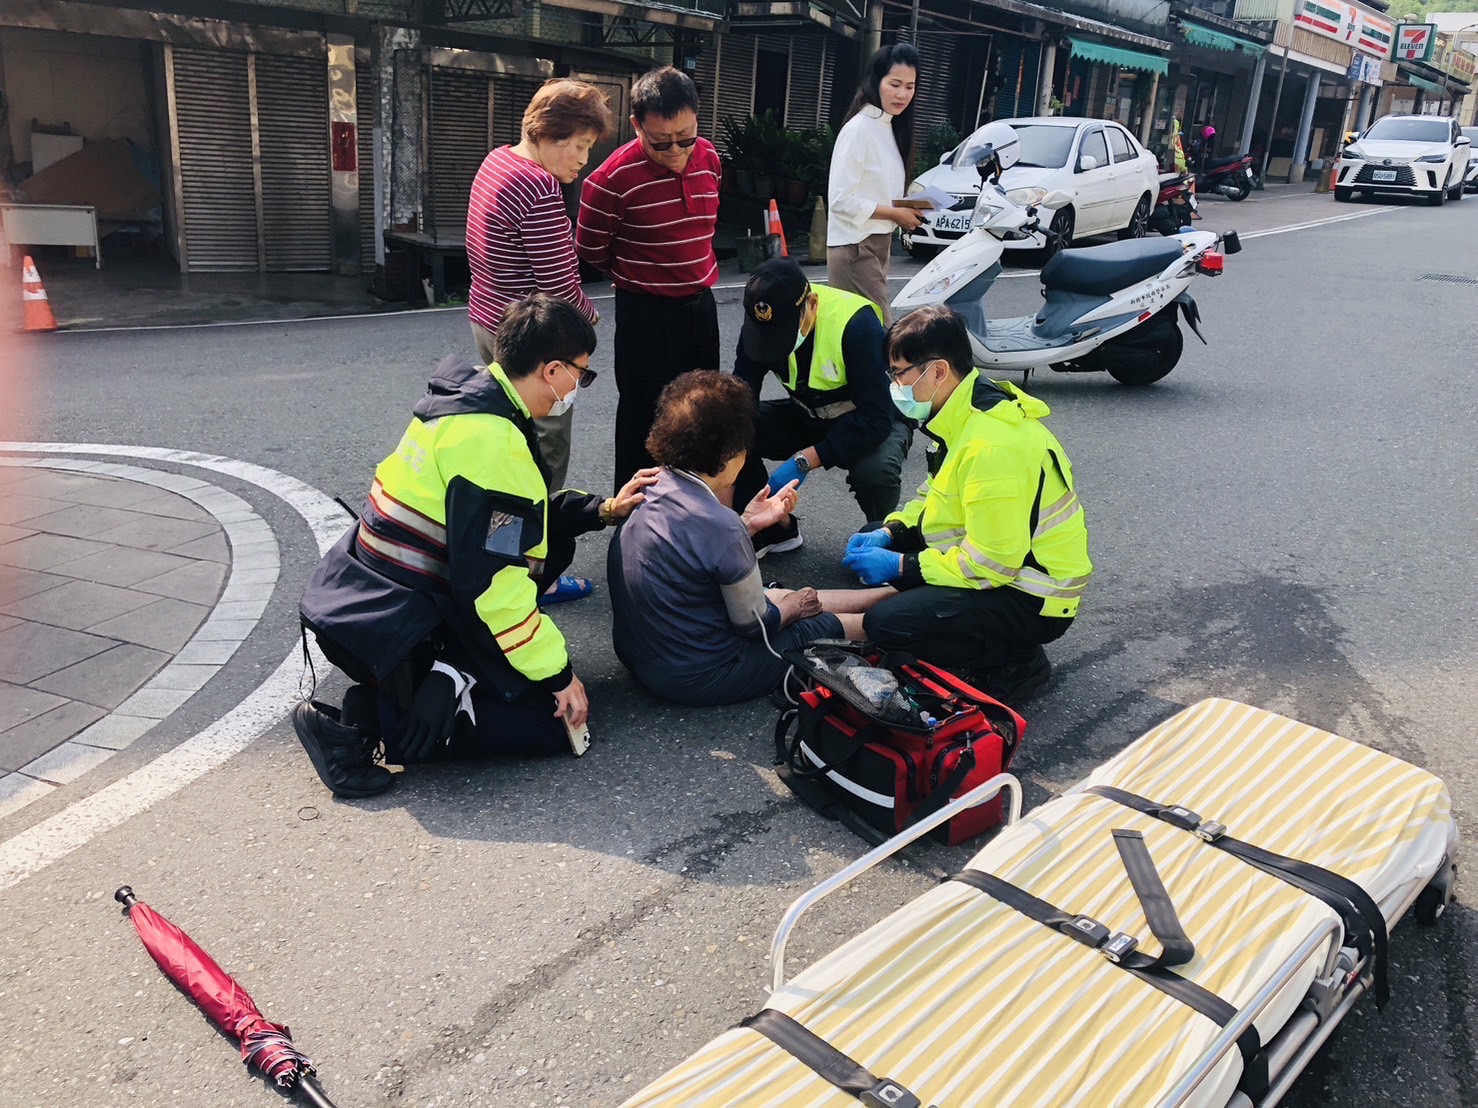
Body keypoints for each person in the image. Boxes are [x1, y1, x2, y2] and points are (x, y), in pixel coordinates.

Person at [294, 295, 659, 798]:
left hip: (366, 600)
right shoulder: (495, 445)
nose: (578, 387)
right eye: (581, 375)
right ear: (552, 370)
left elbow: (509, 527)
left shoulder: (471, 397)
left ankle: (445, 672)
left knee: (555, 544)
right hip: (398, 631)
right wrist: (559, 674)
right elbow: (495, 586)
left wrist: (601, 509)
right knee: (550, 726)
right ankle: (361, 724)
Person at [840, 306, 1092, 707]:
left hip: (1031, 595)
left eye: (900, 373)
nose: (895, 385)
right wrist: (891, 531)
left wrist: (903, 567)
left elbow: (991, 564)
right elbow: (934, 497)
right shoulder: (961, 415)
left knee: (887, 625)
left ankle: (1015, 661)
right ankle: (975, 636)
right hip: (1005, 567)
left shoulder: (994, 446)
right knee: (879, 535)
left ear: (937, 371)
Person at [609, 371, 890, 706]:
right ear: (733, 455)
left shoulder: (650, 485)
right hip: (707, 674)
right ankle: (905, 616)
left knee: (781, 596)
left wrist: (747, 525)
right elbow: (757, 624)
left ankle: (887, 594)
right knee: (809, 619)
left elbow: (696, 556)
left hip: (647, 659)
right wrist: (793, 607)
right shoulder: (720, 525)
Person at [466, 80, 614, 605]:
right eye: (575, 144)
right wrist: (592, 317)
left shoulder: (496, 162)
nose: (582, 158)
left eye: (589, 146)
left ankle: (495, 554)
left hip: (491, 325)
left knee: (504, 451)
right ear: (546, 133)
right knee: (541, 463)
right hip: (538, 351)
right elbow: (562, 286)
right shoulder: (537, 186)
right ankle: (532, 575)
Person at [576, 66, 722, 490]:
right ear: (637, 125)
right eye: (661, 142)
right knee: (643, 415)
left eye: (686, 136)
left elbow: (706, 226)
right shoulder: (609, 181)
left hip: (701, 306)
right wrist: (640, 270)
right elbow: (591, 249)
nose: (677, 150)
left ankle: (696, 509)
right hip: (644, 313)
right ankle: (633, 518)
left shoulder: (709, 159)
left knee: (701, 412)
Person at [730, 258, 911, 557]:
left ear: (812, 304)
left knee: (875, 472)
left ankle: (881, 538)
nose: (776, 344)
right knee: (730, 431)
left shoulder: (857, 324)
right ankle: (772, 529)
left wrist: (805, 459)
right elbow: (740, 395)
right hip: (808, 413)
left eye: (784, 333)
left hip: (870, 420)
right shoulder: (760, 326)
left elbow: (877, 418)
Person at [827, 43, 923, 320]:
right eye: (895, 84)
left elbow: (876, 189)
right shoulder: (859, 129)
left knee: (864, 343)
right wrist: (895, 213)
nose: (902, 94)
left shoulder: (889, 127)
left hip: (875, 245)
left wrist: (911, 207)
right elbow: (841, 200)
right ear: (876, 81)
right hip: (856, 247)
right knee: (879, 337)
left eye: (910, 86)